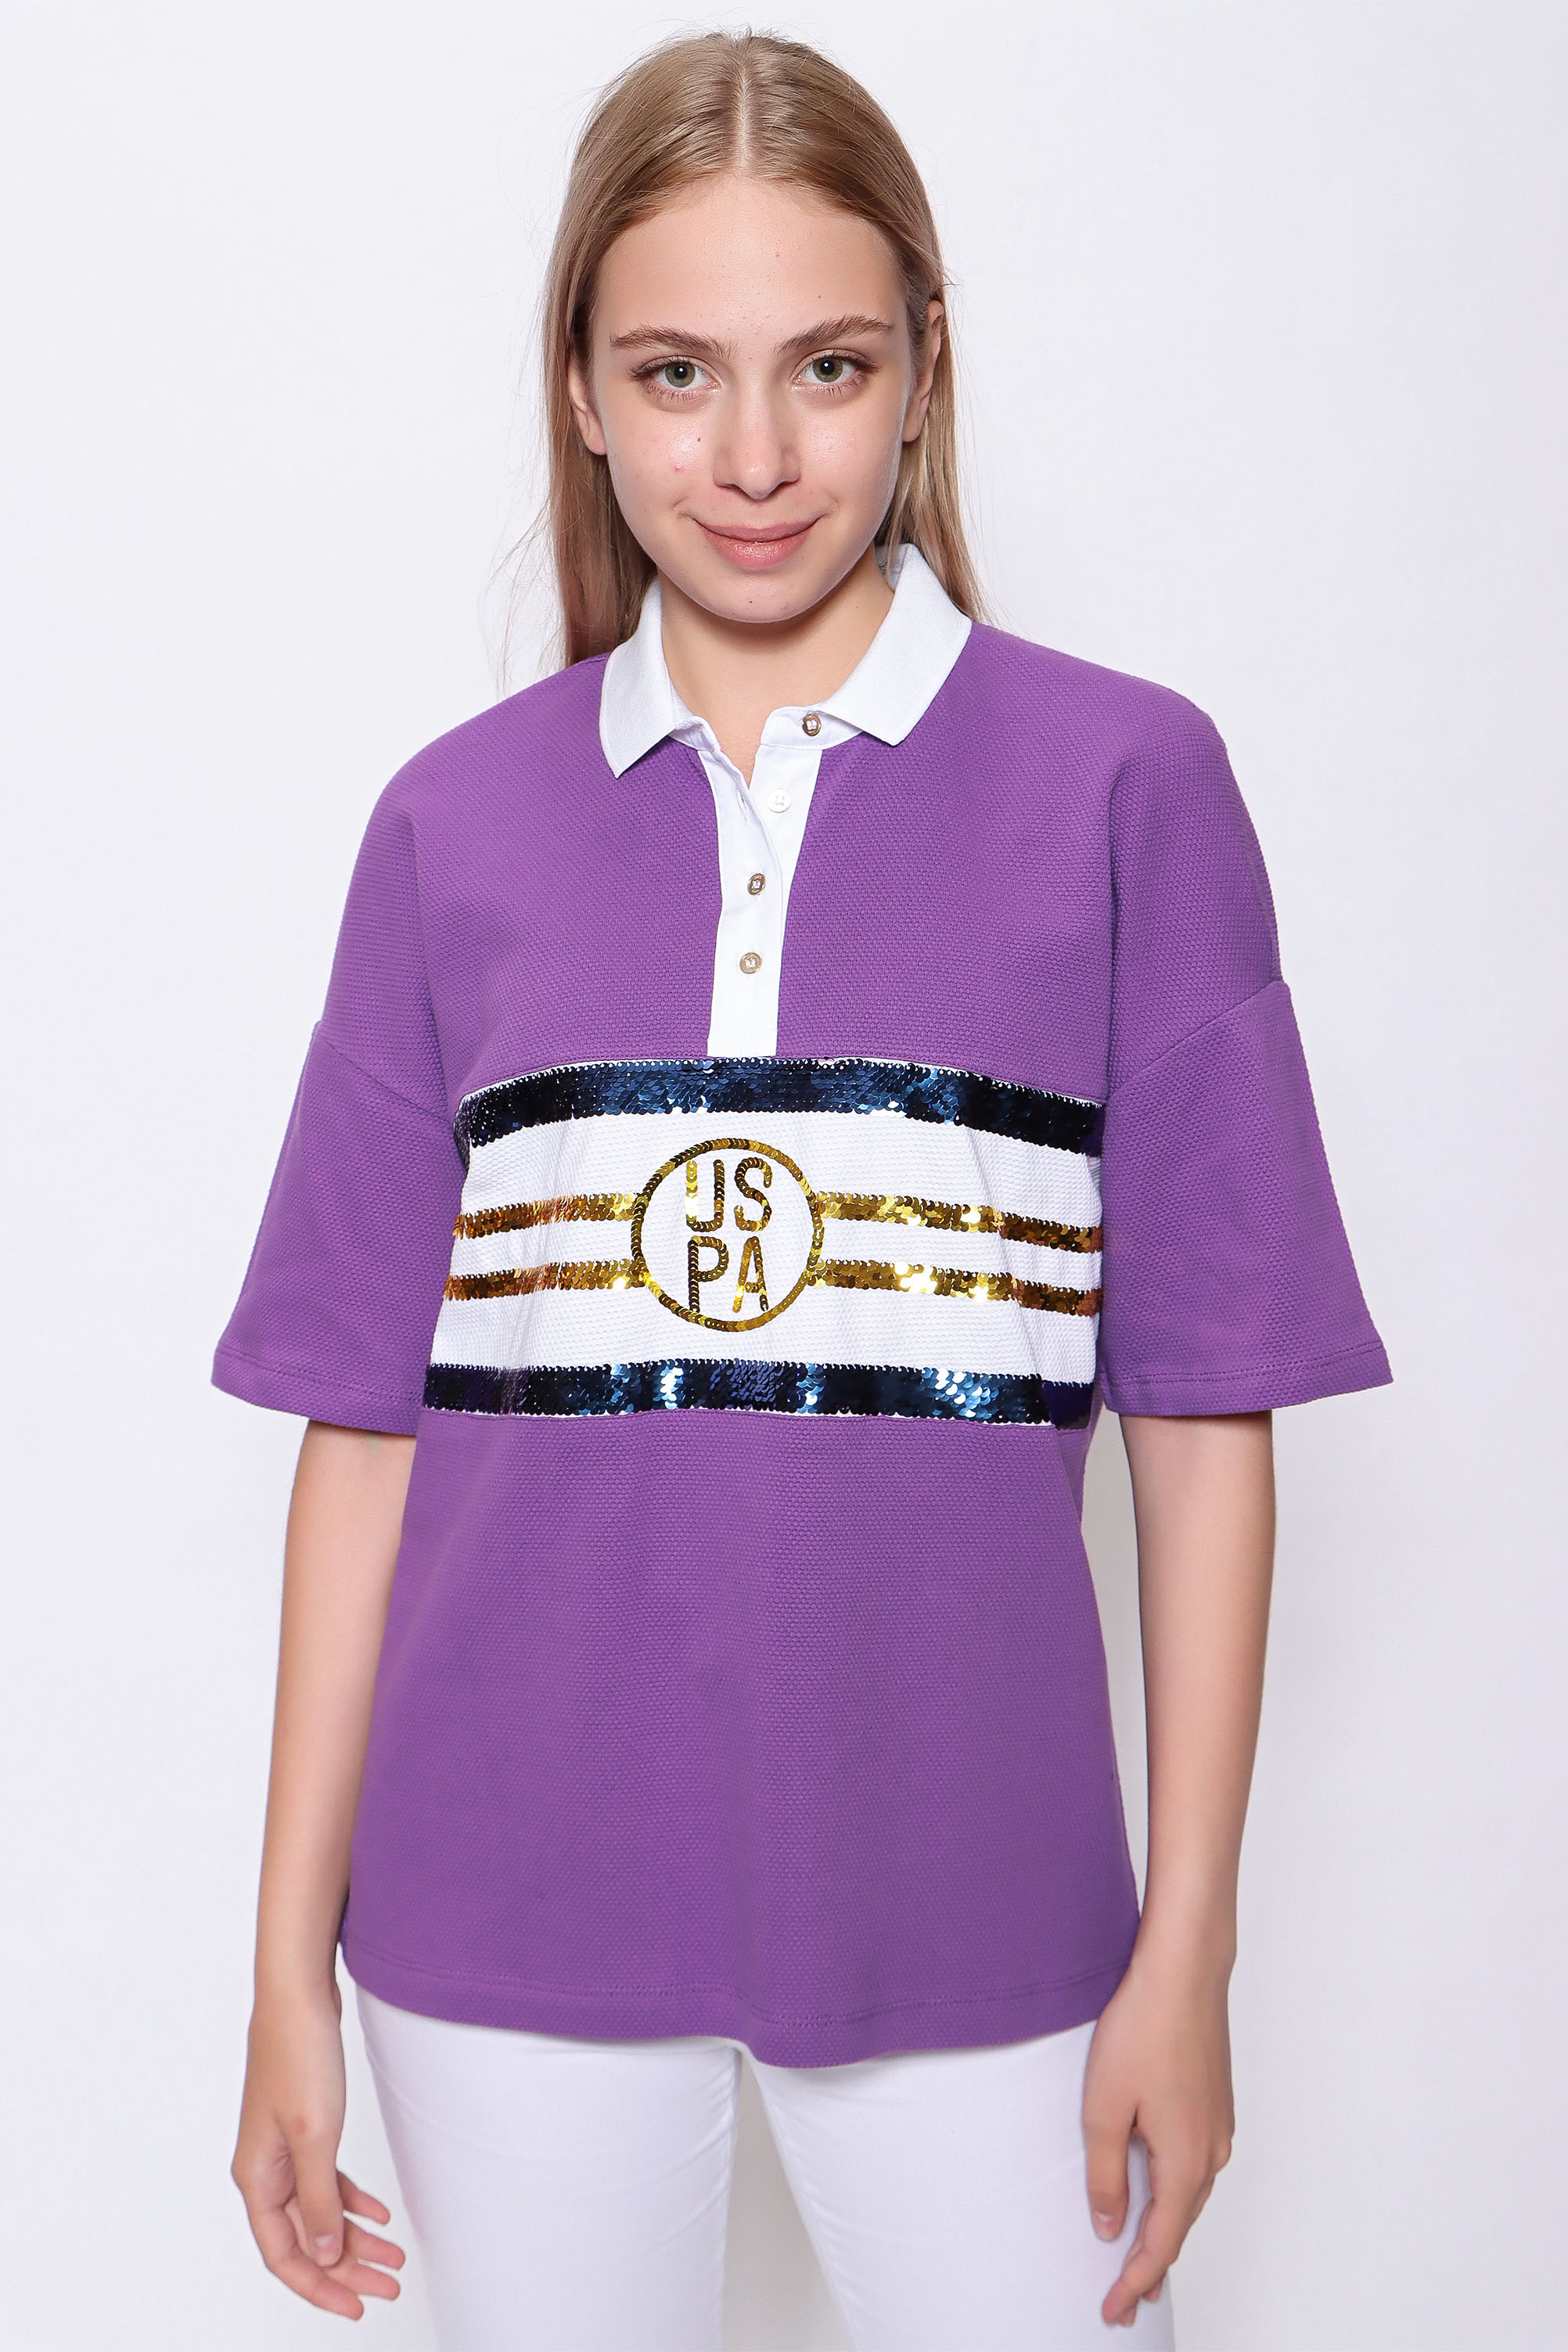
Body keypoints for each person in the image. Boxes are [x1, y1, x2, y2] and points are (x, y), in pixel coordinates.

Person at [218, 31, 1390, 2350]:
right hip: (498, 1902)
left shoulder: (1125, 786)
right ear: (579, 389)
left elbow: (1204, 1417)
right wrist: (280, 1971)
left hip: (983, 1899)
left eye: (827, 367)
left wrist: (1189, 1947)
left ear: (926, 366)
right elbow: (365, 1432)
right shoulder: (452, 826)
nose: (752, 456)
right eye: (675, 372)